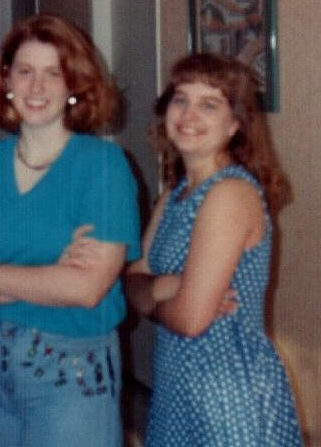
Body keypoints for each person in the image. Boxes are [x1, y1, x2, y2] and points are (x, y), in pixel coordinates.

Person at [0, 13, 140, 447]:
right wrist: (48, 276)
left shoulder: (102, 167)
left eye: (54, 74)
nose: (37, 88)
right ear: (6, 79)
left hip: (69, 365)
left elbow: (86, 290)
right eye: (25, 72)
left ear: (74, 85)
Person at [126, 53, 303, 446]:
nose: (189, 115)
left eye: (209, 104)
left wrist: (154, 294)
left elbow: (190, 320)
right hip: (178, 385)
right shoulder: (173, 194)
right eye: (180, 99)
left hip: (228, 393)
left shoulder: (229, 193)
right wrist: (170, 285)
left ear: (236, 124)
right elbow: (131, 281)